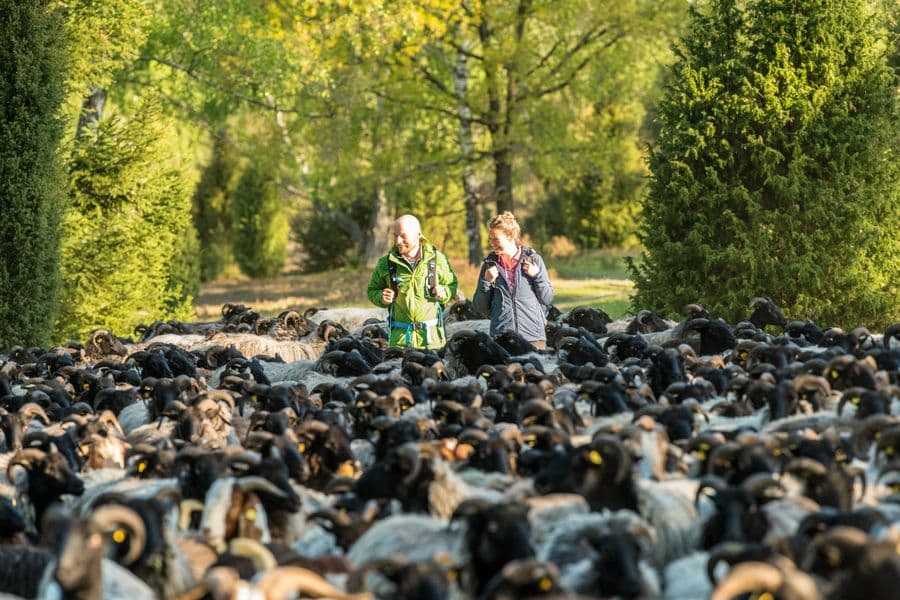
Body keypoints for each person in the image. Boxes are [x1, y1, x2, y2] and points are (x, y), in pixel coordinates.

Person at [367, 214, 458, 349]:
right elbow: (371, 291)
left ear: (418, 235)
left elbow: (452, 285)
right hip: (400, 342)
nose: (398, 241)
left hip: (432, 342)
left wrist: (444, 291)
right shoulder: (385, 263)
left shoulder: (437, 259)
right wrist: (381, 297)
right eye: (395, 236)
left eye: (403, 236)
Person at [473, 211, 554, 350]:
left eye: (496, 239)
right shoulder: (489, 264)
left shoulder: (534, 260)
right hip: (501, 340)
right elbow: (480, 308)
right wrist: (486, 281)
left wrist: (537, 275)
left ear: (510, 237)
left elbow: (547, 298)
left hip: (533, 338)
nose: (492, 244)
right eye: (490, 239)